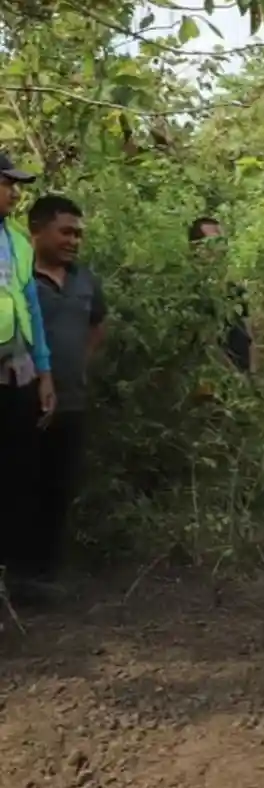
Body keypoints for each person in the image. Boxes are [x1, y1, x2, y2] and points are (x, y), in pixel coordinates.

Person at [25, 195, 106, 590]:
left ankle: (46, 575)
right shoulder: (18, 277)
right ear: (37, 231)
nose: (73, 241)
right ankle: (17, 574)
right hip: (22, 400)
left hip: (72, 401)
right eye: (66, 232)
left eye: (78, 234)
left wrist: (78, 367)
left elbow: (97, 325)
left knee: (59, 489)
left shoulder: (85, 279)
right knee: (20, 485)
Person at [0, 153, 55, 593]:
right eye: (8, 184)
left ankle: (14, 578)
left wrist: (45, 372)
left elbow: (32, 309)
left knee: (16, 472)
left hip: (16, 371)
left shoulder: (18, 240)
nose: (15, 193)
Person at [189, 216, 253, 374]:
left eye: (223, 242)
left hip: (240, 375)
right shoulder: (190, 290)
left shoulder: (233, 286)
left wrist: (251, 375)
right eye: (214, 242)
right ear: (196, 247)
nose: (221, 249)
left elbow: (248, 333)